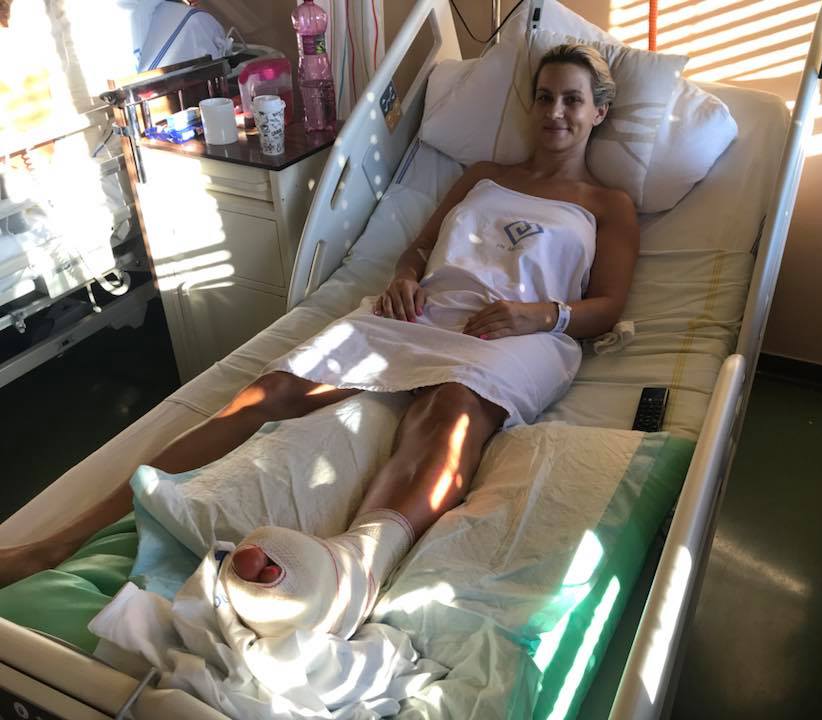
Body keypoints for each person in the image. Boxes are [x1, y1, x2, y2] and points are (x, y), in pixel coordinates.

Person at [0, 44, 641, 603]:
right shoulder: (484, 177)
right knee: (269, 391)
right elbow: (420, 247)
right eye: (544, 97)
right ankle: (62, 541)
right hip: (420, 314)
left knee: (449, 412)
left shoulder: (608, 205)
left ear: (599, 112)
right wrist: (404, 278)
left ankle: (352, 572)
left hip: (518, 336)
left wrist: (543, 313)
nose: (556, 112)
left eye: (573, 100)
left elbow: (608, 304)